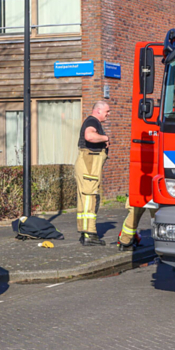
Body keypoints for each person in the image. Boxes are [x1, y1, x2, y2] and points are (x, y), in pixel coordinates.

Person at [75, 101, 110, 246]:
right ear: (98, 111)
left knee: (85, 198)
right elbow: (89, 136)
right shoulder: (92, 121)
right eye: (107, 111)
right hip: (89, 164)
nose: (108, 114)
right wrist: (105, 138)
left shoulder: (93, 121)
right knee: (90, 197)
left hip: (87, 164)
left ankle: (85, 233)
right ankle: (89, 234)